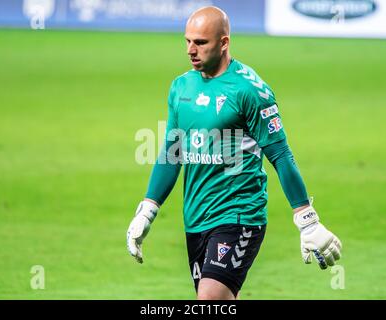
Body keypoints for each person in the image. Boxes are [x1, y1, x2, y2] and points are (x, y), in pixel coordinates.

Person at [127, 6, 342, 300]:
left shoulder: (250, 91)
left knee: (210, 299)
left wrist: (307, 219)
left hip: (239, 215)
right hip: (195, 217)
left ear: (224, 42)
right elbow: (172, 151)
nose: (191, 49)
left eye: (201, 42)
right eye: (188, 41)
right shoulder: (180, 88)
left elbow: (280, 155)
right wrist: (147, 210)